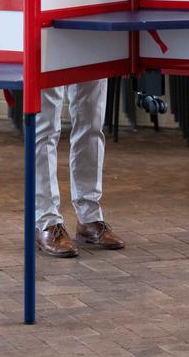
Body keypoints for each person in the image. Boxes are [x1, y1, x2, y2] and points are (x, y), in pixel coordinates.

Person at [35, 80, 125, 258]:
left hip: (92, 58)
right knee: (45, 128)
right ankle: (45, 221)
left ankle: (89, 217)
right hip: (42, 59)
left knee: (92, 124)